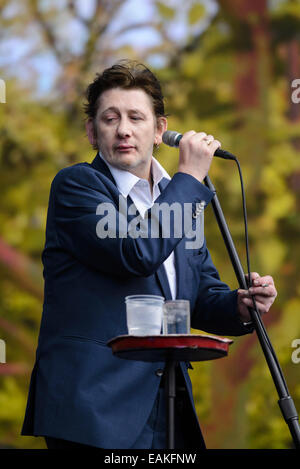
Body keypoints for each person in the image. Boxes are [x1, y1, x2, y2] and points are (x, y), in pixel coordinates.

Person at [21, 60, 277, 449]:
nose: (123, 129)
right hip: (95, 408)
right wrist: (189, 179)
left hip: (168, 403)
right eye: (110, 118)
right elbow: (136, 252)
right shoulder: (78, 187)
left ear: (159, 130)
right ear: (92, 132)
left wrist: (240, 306)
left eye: (136, 117)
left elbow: (198, 297)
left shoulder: (176, 199)